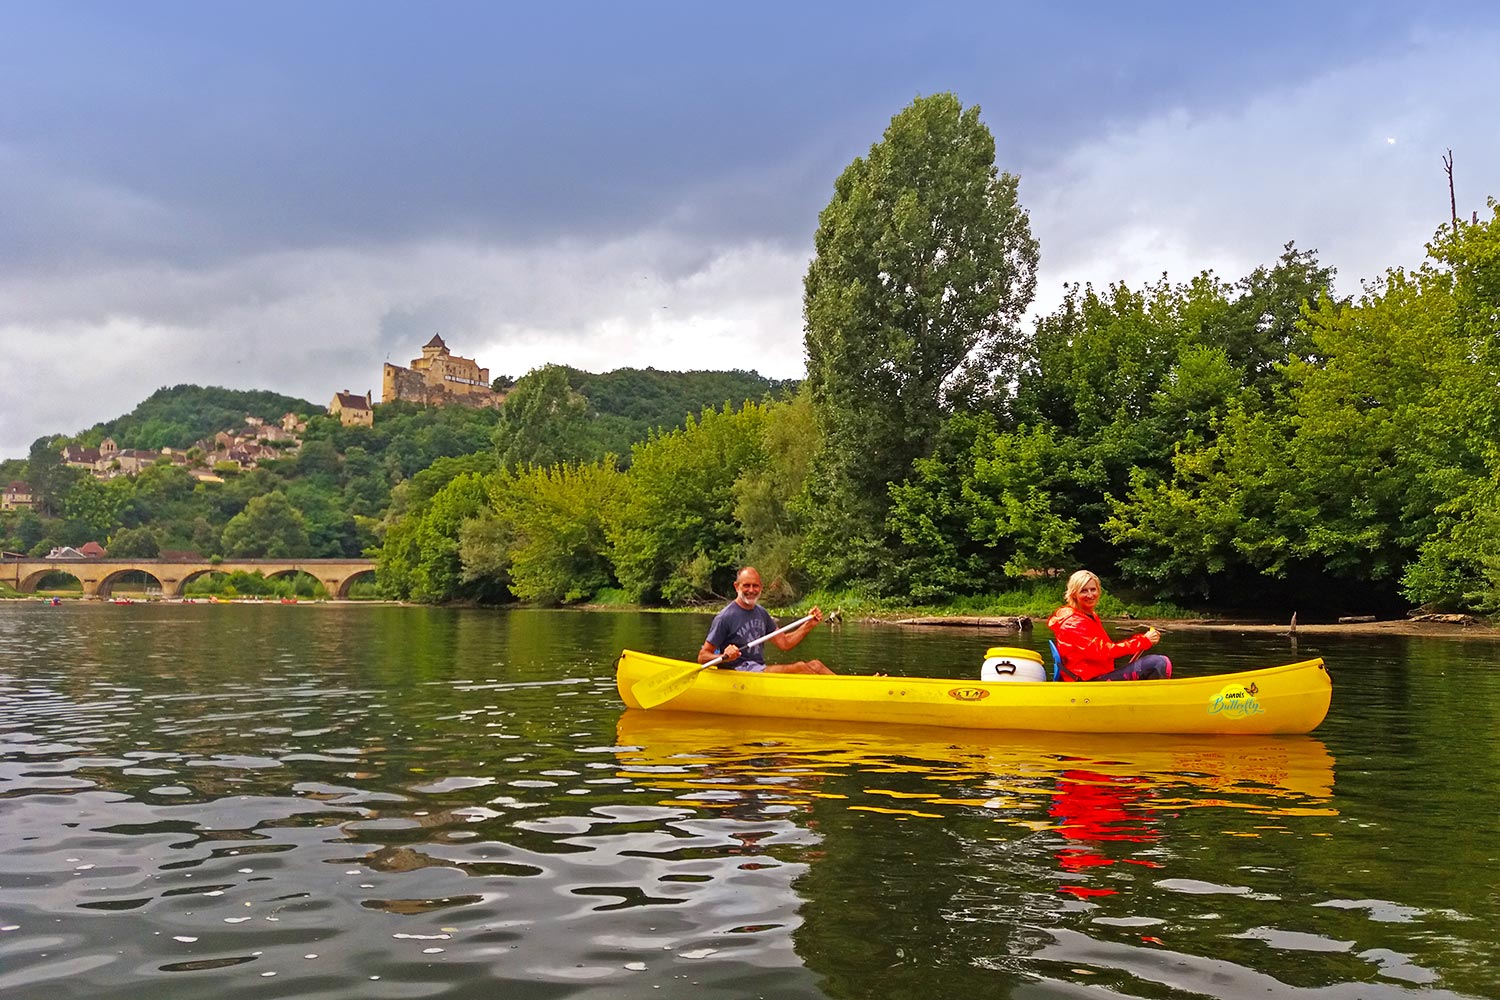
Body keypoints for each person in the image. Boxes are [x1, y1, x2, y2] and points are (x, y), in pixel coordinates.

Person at [698, 566, 834, 674]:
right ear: (736, 586)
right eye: (746, 585)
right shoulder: (725, 617)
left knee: (816, 665)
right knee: (800, 668)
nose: (751, 590)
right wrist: (724, 655)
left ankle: (849, 693)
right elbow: (703, 656)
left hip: (758, 669)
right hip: (739, 671)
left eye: (755, 586)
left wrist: (808, 625)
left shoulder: (761, 613)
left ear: (761, 587)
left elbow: (785, 643)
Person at [1045, 570, 1171, 681]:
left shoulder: (1088, 615)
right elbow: (1103, 651)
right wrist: (1143, 641)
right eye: (1083, 591)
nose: (1090, 595)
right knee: (1158, 662)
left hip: (1097, 675)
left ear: (1098, 591)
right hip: (1088, 682)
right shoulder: (1073, 622)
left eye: (1093, 589)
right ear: (1074, 594)